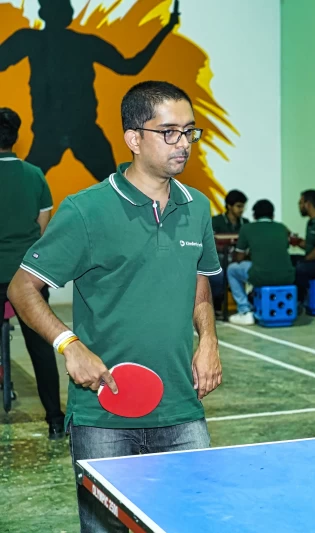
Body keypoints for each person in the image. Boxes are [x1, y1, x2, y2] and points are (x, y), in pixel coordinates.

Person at [8, 81, 223, 532]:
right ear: (133, 138)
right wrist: (69, 344)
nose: (182, 143)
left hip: (183, 409)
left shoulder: (198, 208)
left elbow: (199, 280)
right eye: (169, 132)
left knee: (193, 524)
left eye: (189, 131)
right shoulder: (86, 211)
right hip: (104, 416)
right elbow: (23, 287)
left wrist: (208, 341)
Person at [0, 0, 179, 181]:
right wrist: (166, 28)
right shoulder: (71, 42)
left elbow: (130, 67)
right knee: (115, 187)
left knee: (115, 186)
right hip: (57, 132)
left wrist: (166, 29)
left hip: (77, 131)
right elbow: (131, 66)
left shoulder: (42, 41)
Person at [0, 107, 65, 439]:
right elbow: (43, 229)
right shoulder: (35, 175)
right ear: (15, 138)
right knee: (41, 347)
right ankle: (55, 419)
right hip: (25, 278)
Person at [227, 199, 295, 325]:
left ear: (254, 215)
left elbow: (239, 257)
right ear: (273, 215)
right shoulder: (281, 228)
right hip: (288, 276)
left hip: (261, 276)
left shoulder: (247, 228)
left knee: (232, 269)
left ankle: (245, 311)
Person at [209, 189, 250, 313]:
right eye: (238, 206)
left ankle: (246, 304)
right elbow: (208, 243)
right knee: (218, 273)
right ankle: (217, 302)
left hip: (238, 259)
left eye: (243, 206)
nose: (242, 209)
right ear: (229, 206)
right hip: (219, 260)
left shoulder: (246, 223)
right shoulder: (216, 221)